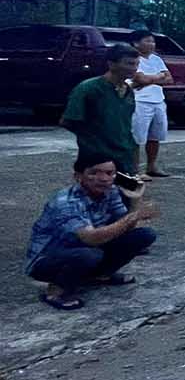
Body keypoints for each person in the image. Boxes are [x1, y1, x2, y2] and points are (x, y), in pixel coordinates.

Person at [25, 153, 159, 310]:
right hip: (47, 259)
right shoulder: (66, 202)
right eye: (94, 173)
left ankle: (100, 275)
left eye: (109, 173)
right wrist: (135, 216)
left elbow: (125, 227)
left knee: (143, 236)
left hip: (85, 248)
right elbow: (91, 238)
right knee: (90, 254)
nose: (103, 178)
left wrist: (136, 198)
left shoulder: (111, 191)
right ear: (78, 176)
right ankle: (55, 291)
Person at [62, 43, 140, 176]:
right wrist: (94, 141)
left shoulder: (128, 91)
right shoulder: (89, 88)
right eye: (129, 64)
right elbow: (69, 121)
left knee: (127, 195)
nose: (134, 68)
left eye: (136, 64)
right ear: (111, 64)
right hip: (97, 159)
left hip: (125, 157)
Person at [130, 30, 173, 180]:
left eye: (152, 41)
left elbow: (169, 79)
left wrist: (151, 79)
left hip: (158, 100)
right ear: (136, 43)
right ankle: (134, 169)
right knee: (136, 137)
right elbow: (140, 78)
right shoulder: (133, 58)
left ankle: (151, 165)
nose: (151, 44)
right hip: (140, 101)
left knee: (155, 136)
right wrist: (158, 76)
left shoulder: (156, 59)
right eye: (147, 41)